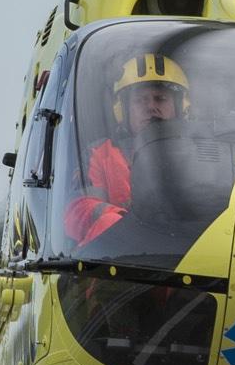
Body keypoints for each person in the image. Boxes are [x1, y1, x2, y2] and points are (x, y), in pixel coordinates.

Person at [63, 51, 190, 247]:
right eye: (141, 100)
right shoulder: (100, 154)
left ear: (180, 106)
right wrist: (122, 223)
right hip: (124, 254)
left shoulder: (205, 152)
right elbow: (79, 210)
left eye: (160, 99)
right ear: (122, 109)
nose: (151, 107)